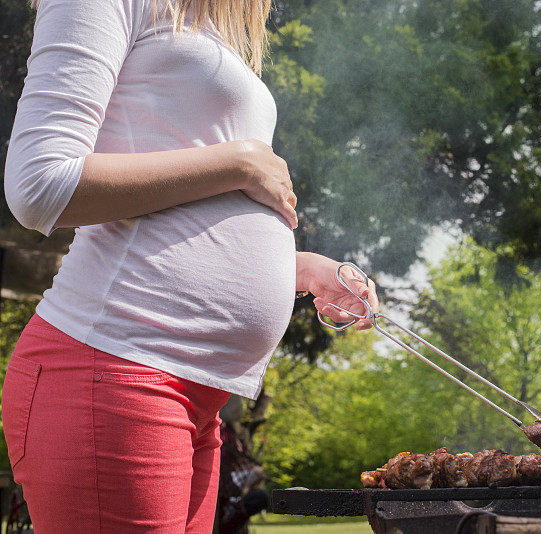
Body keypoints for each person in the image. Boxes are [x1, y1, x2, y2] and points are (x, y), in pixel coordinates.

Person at [0, 0, 379, 531]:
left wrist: (290, 266)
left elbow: (174, 216)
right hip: (114, 370)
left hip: (196, 396)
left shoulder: (199, 27)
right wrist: (238, 161)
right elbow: (40, 185)